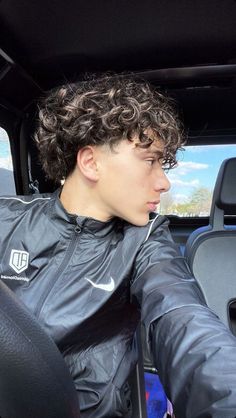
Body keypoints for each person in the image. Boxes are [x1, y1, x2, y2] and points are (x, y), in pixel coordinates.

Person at [0, 75, 236, 418]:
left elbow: (182, 317)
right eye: (150, 160)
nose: (165, 181)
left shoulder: (146, 240)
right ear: (91, 162)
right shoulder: (7, 218)